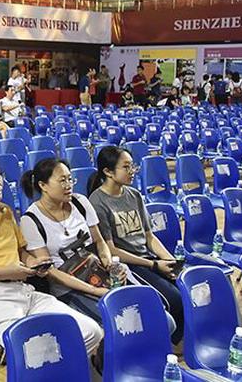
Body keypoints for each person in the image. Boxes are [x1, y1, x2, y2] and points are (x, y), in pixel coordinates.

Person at [0, 154, 103, 360]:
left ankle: (57, 371)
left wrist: (32, 262)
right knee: (37, 351)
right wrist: (7, 272)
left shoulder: (5, 212)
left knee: (91, 332)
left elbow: (20, 252)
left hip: (22, 290)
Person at [87, 146, 184, 344]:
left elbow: (149, 237)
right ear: (108, 172)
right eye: (126, 167)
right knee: (173, 299)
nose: (132, 171)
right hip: (128, 264)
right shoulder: (97, 202)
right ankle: (168, 345)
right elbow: (111, 250)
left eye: (133, 166)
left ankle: (178, 341)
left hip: (148, 258)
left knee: (185, 285)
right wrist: (154, 265)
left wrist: (169, 260)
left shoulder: (134, 195)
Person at [19, 158, 119, 324]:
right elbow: (50, 271)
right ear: (43, 185)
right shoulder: (30, 220)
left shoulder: (80, 202)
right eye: (62, 180)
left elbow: (99, 241)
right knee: (115, 320)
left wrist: (110, 266)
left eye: (70, 179)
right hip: (68, 289)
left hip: (98, 274)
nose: (68, 185)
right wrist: (94, 290)